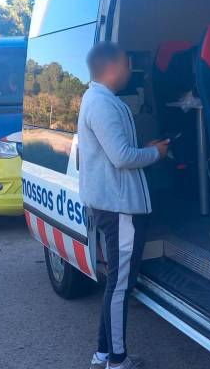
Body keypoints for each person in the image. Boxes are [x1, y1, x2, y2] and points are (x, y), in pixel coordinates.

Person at [78, 42, 169, 369]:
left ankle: (103, 353)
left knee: (117, 281)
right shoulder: (102, 104)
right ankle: (116, 360)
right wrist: (154, 154)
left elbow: (115, 151)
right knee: (120, 285)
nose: (131, 72)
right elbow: (121, 157)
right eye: (128, 65)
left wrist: (142, 148)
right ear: (114, 67)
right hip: (119, 209)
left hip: (112, 206)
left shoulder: (98, 99)